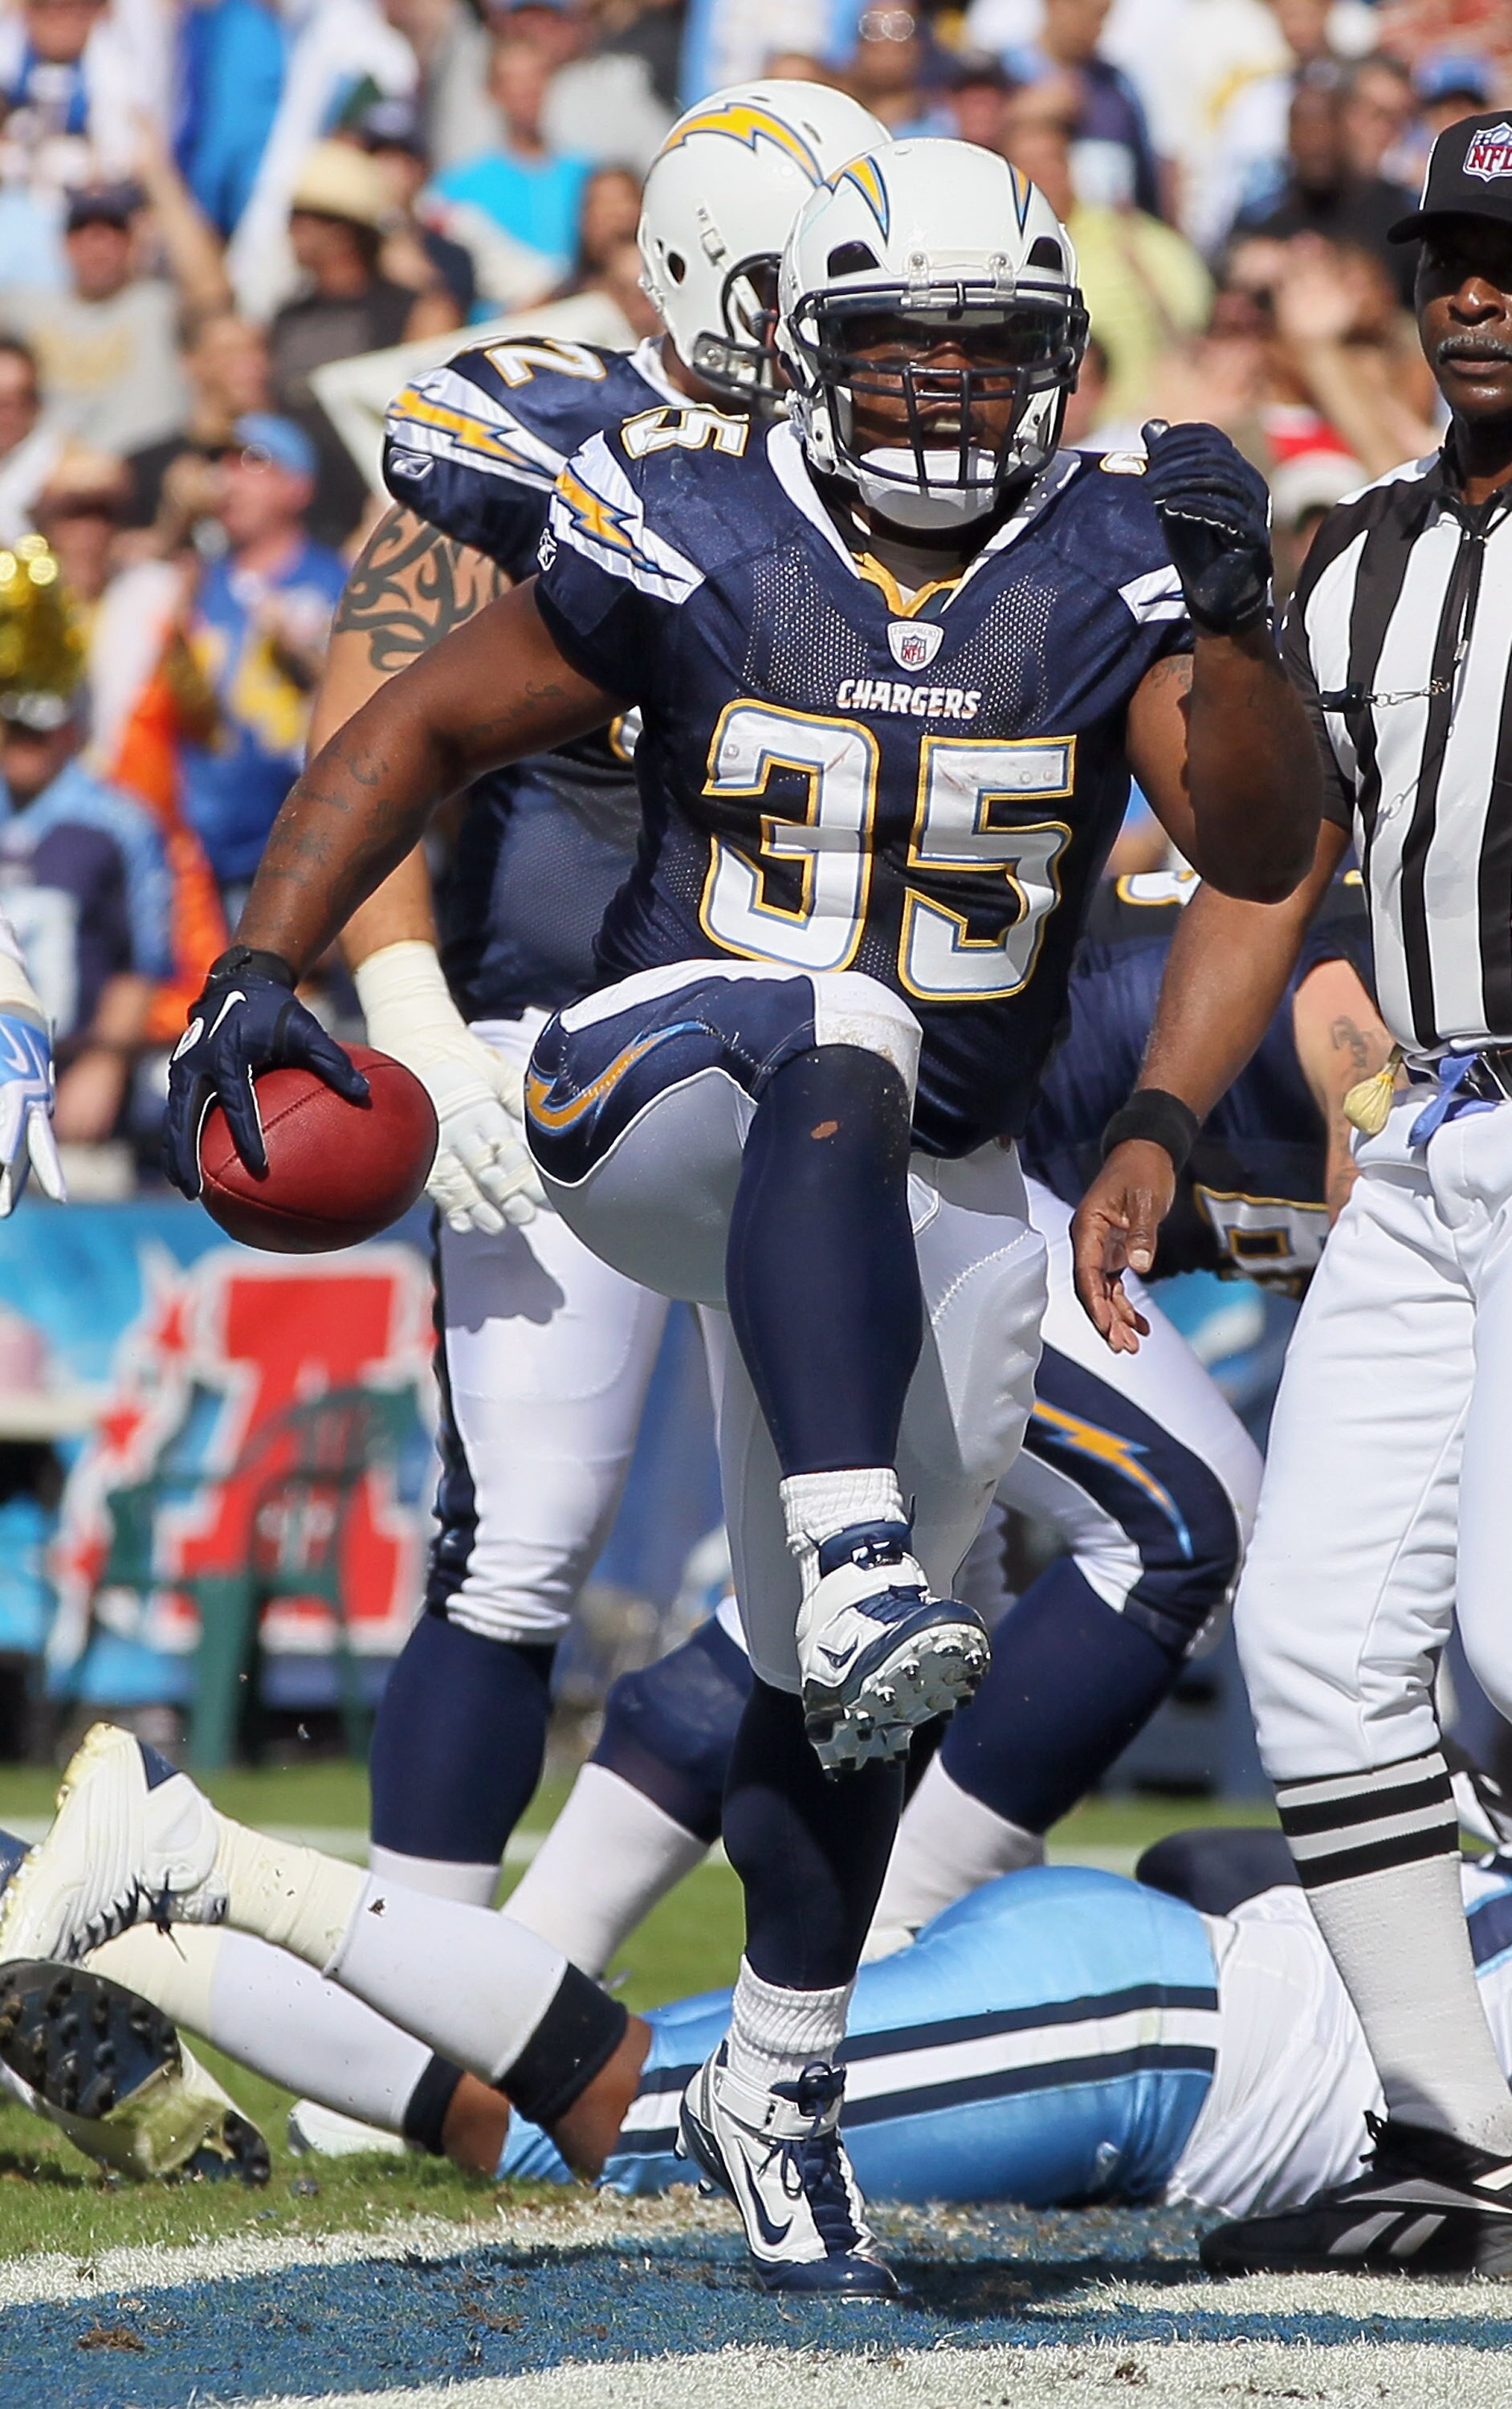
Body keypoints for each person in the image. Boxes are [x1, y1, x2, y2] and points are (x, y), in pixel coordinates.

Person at [164, 137, 1318, 2294]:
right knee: (835, 1016)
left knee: (843, 1697)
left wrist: (1240, 624)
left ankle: (780, 2083)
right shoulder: (690, 514)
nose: (946, 394)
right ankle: (850, 1540)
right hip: (654, 1086)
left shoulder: (1111, 555)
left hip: (929, 1176)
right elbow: (419, 719)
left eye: (991, 353)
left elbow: (1259, 841)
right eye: (902, 350)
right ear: (808, 350)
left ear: (1060, 362)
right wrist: (264, 957)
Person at [332, 82, 891, 1907]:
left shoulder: (908, 452)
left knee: (864, 1561)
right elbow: (371, 737)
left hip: (828, 1059)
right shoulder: (533, 431)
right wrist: (414, 1015)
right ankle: (409, 1988)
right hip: (557, 1038)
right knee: (522, 1546)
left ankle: (552, 1973)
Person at [1071, 117, 1512, 2277]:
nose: (1476, 295)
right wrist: (1166, 1108)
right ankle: (1460, 2139)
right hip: (1427, 1136)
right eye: (1450, 258)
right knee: (1321, 1644)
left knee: (1506, 1641)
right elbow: (1274, 866)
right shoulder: (1361, 559)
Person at [18, 1726, 1512, 2254]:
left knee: (526, 2126)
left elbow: (1203, 1856)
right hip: (1142, 2049)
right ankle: (194, 1852)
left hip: (1140, 1993)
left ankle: (76, 1915)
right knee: (609, 2126)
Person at [0, 536, 170, 1144]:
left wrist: (104, 1066)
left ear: (69, 728)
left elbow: (142, 961)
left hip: (72, 1070)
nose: (22, 745)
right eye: (13, 725)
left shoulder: (118, 821)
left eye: (39, 729)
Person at [176, 413, 346, 912]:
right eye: (221, 462)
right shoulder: (194, 583)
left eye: (251, 461)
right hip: (200, 860)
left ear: (299, 487)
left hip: (308, 856)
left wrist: (305, 651)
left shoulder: (339, 582)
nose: (228, 478)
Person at [268, 141, 448, 547]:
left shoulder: (409, 311)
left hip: (379, 517)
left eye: (301, 218)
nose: (290, 231)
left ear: (342, 231)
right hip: (302, 526)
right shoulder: (287, 317)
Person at [425, 36, 593, 304]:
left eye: (536, 77)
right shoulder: (458, 186)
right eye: (513, 80)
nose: (526, 90)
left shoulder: (586, 176)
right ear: (492, 91)